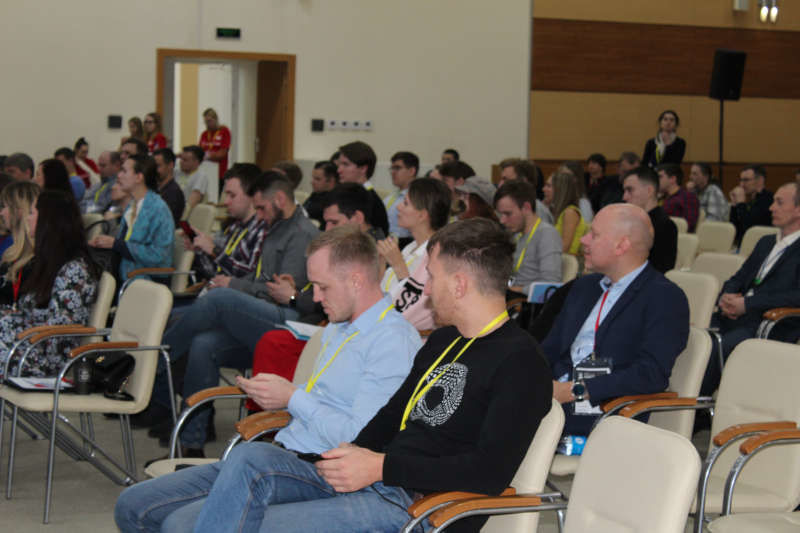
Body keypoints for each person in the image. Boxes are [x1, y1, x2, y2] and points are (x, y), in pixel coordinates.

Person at [115, 217, 551, 533]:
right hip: (374, 480)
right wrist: (347, 458)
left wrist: (380, 466)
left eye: (432, 277)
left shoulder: (520, 361)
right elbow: (390, 417)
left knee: (213, 519)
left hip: (417, 507)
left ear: (459, 284)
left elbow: (488, 471)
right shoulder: (444, 341)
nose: (425, 289)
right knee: (240, 472)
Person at [144, 173, 319, 454]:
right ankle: (191, 444)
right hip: (266, 312)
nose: (259, 215)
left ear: (280, 199)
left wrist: (236, 286)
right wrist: (238, 283)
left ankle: (153, 358)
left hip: (291, 321)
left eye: (262, 208)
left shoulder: (301, 234)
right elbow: (260, 279)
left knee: (219, 299)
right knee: (204, 344)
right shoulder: (275, 226)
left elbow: (279, 291)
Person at [541, 203, 690, 436]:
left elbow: (650, 374)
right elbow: (549, 349)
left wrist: (574, 390)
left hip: (602, 407)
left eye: (594, 235)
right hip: (552, 396)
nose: (583, 240)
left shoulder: (664, 297)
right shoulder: (584, 287)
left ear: (622, 245)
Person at [702, 182, 800, 395]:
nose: (771, 208)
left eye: (779, 203)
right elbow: (739, 277)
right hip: (736, 316)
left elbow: (796, 296)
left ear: (798, 210)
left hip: (771, 323)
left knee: (717, 348)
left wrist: (748, 304)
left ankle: (695, 404)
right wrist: (726, 296)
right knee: (692, 336)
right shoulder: (766, 242)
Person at [0, 190, 99, 377]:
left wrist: (11, 325)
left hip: (47, 360)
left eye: (32, 213)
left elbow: (59, 334)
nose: (27, 218)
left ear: (47, 221)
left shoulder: (74, 270)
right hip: (29, 345)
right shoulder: (48, 262)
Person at [376, 177, 451, 330]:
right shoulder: (410, 248)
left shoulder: (437, 255)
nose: (398, 207)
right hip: (383, 322)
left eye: (405, 203)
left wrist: (398, 265)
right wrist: (381, 263)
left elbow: (416, 309)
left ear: (422, 215)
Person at [88, 154, 174, 281]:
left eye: (124, 171)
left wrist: (116, 244)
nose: (118, 175)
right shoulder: (132, 205)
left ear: (139, 177)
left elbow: (160, 256)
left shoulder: (158, 209)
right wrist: (103, 243)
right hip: (124, 272)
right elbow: (123, 244)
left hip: (146, 279)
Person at [185, 164, 265, 281]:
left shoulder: (262, 229)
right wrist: (201, 251)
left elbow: (251, 279)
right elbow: (215, 273)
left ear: (253, 196)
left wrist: (214, 251)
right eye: (226, 195)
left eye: (232, 195)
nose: (226, 201)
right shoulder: (234, 226)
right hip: (218, 289)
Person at [494, 180, 562, 294]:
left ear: (526, 207)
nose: (502, 220)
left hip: (524, 300)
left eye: (508, 214)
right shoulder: (516, 234)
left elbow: (550, 284)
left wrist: (514, 291)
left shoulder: (547, 234)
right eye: (501, 214)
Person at [622, 166, 678, 273]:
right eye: (624, 191)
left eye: (630, 190)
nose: (624, 197)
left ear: (649, 191)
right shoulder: (628, 221)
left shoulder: (665, 226)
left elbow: (660, 271)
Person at [335, 141, 389, 236]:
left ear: (363, 168)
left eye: (345, 164)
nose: (339, 170)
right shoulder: (348, 195)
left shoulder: (371, 202)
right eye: (339, 165)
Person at [0, 181, 39, 307]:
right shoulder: (12, 253)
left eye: (4, 206)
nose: (1, 213)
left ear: (19, 211)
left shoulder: (36, 261)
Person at [544, 171, 589, 256]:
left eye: (548, 186)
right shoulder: (560, 211)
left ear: (560, 189)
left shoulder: (570, 212)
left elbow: (564, 247)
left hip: (566, 261)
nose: (544, 189)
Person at [498, 158, 554, 224]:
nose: (500, 185)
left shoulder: (538, 211)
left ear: (523, 181)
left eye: (505, 179)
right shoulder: (515, 207)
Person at [730, 164, 774, 245]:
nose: (741, 185)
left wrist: (741, 204)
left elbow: (749, 227)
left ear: (760, 180)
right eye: (740, 180)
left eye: (746, 180)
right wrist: (734, 206)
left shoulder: (769, 200)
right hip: (742, 245)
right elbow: (734, 230)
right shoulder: (750, 200)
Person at [384, 151, 418, 243]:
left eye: (397, 168)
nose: (393, 172)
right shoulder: (391, 197)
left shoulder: (417, 198)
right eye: (392, 168)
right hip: (388, 241)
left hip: (406, 242)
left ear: (411, 171)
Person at [658, 163, 700, 232]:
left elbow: (688, 226)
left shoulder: (688, 198)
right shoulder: (660, 197)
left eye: (660, 177)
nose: (656, 180)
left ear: (672, 179)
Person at [174, 145, 211, 217]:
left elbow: (190, 204)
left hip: (184, 215)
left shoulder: (201, 177)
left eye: (185, 160)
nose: (181, 162)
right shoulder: (176, 172)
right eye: (181, 159)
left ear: (196, 162)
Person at [152, 148, 185, 226]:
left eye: (158, 166)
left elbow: (162, 222)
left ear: (170, 165)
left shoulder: (173, 193)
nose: (153, 170)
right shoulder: (155, 189)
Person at [198, 108, 231, 182]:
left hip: (219, 172)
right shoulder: (204, 134)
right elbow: (199, 152)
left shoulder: (224, 132)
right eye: (205, 122)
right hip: (205, 171)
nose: (207, 124)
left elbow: (222, 154)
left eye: (209, 121)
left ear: (216, 119)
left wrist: (207, 156)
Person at [303, 160, 338, 229]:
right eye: (313, 178)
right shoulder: (317, 193)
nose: (312, 182)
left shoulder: (334, 200)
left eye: (317, 179)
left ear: (331, 180)